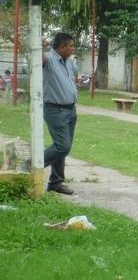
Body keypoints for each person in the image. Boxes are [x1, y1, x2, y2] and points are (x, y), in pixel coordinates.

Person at [43, 33, 78, 195]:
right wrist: (40, 49)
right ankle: (31, 166)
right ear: (62, 47)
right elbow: (38, 61)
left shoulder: (69, 62)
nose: (73, 49)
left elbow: (73, 79)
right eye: (70, 46)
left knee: (63, 148)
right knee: (62, 146)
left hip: (71, 110)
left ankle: (56, 182)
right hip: (55, 109)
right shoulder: (49, 59)